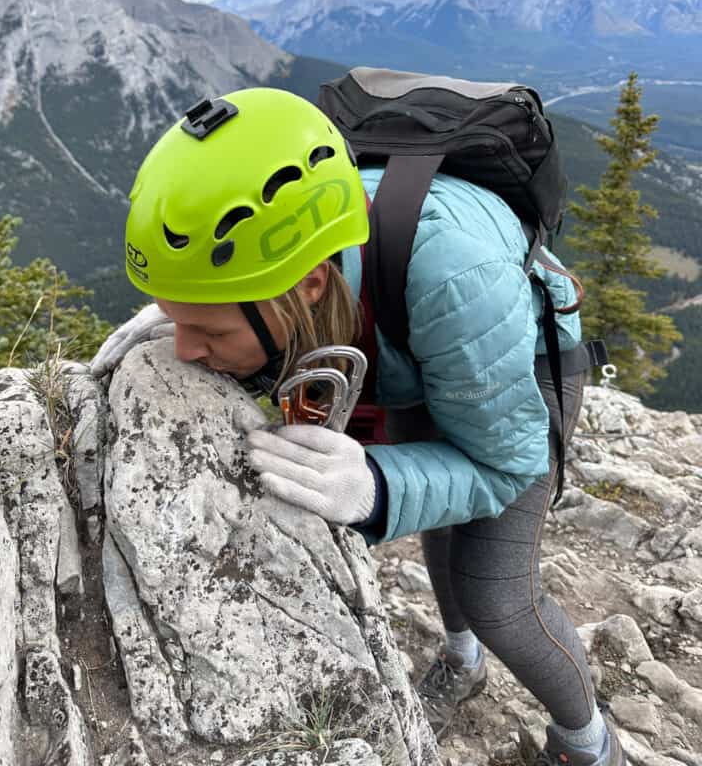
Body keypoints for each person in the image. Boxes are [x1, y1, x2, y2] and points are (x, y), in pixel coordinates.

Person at [92, 87, 626, 766]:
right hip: (402, 338)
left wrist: (375, 482)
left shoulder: (454, 272)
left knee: (498, 594)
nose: (185, 349)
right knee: (440, 531)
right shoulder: (290, 278)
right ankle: (463, 662)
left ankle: (592, 744)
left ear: (308, 285)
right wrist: (190, 309)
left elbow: (502, 464)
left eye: (207, 329)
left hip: (505, 358)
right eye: (178, 319)